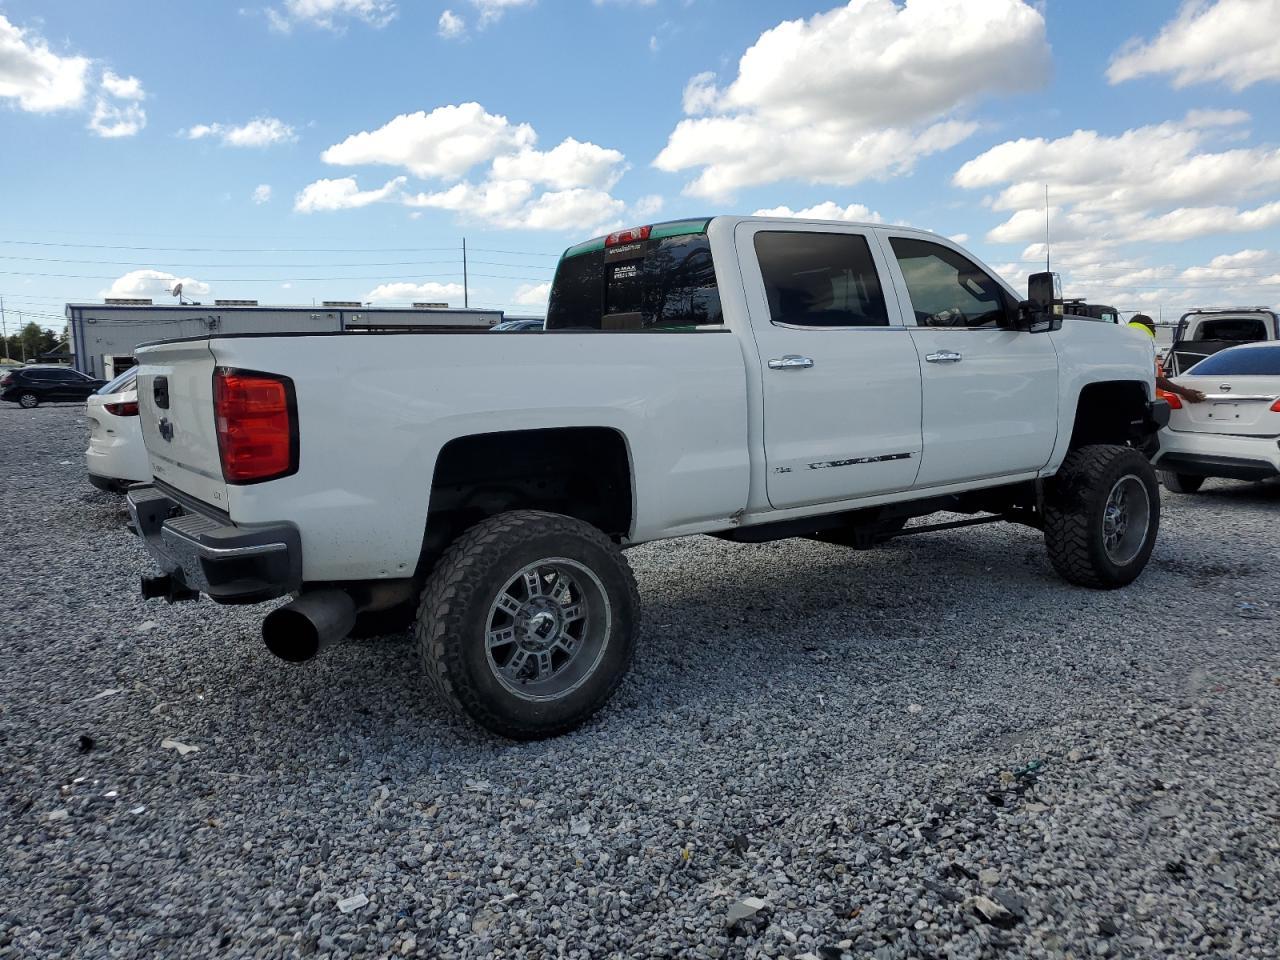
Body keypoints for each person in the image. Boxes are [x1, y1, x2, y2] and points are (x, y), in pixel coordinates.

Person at [1128, 314, 1205, 403]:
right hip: (1140, 402)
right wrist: (1185, 392)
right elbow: (1157, 379)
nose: (1155, 332)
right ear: (1147, 329)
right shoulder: (1141, 350)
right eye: (1153, 328)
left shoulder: (1125, 347)